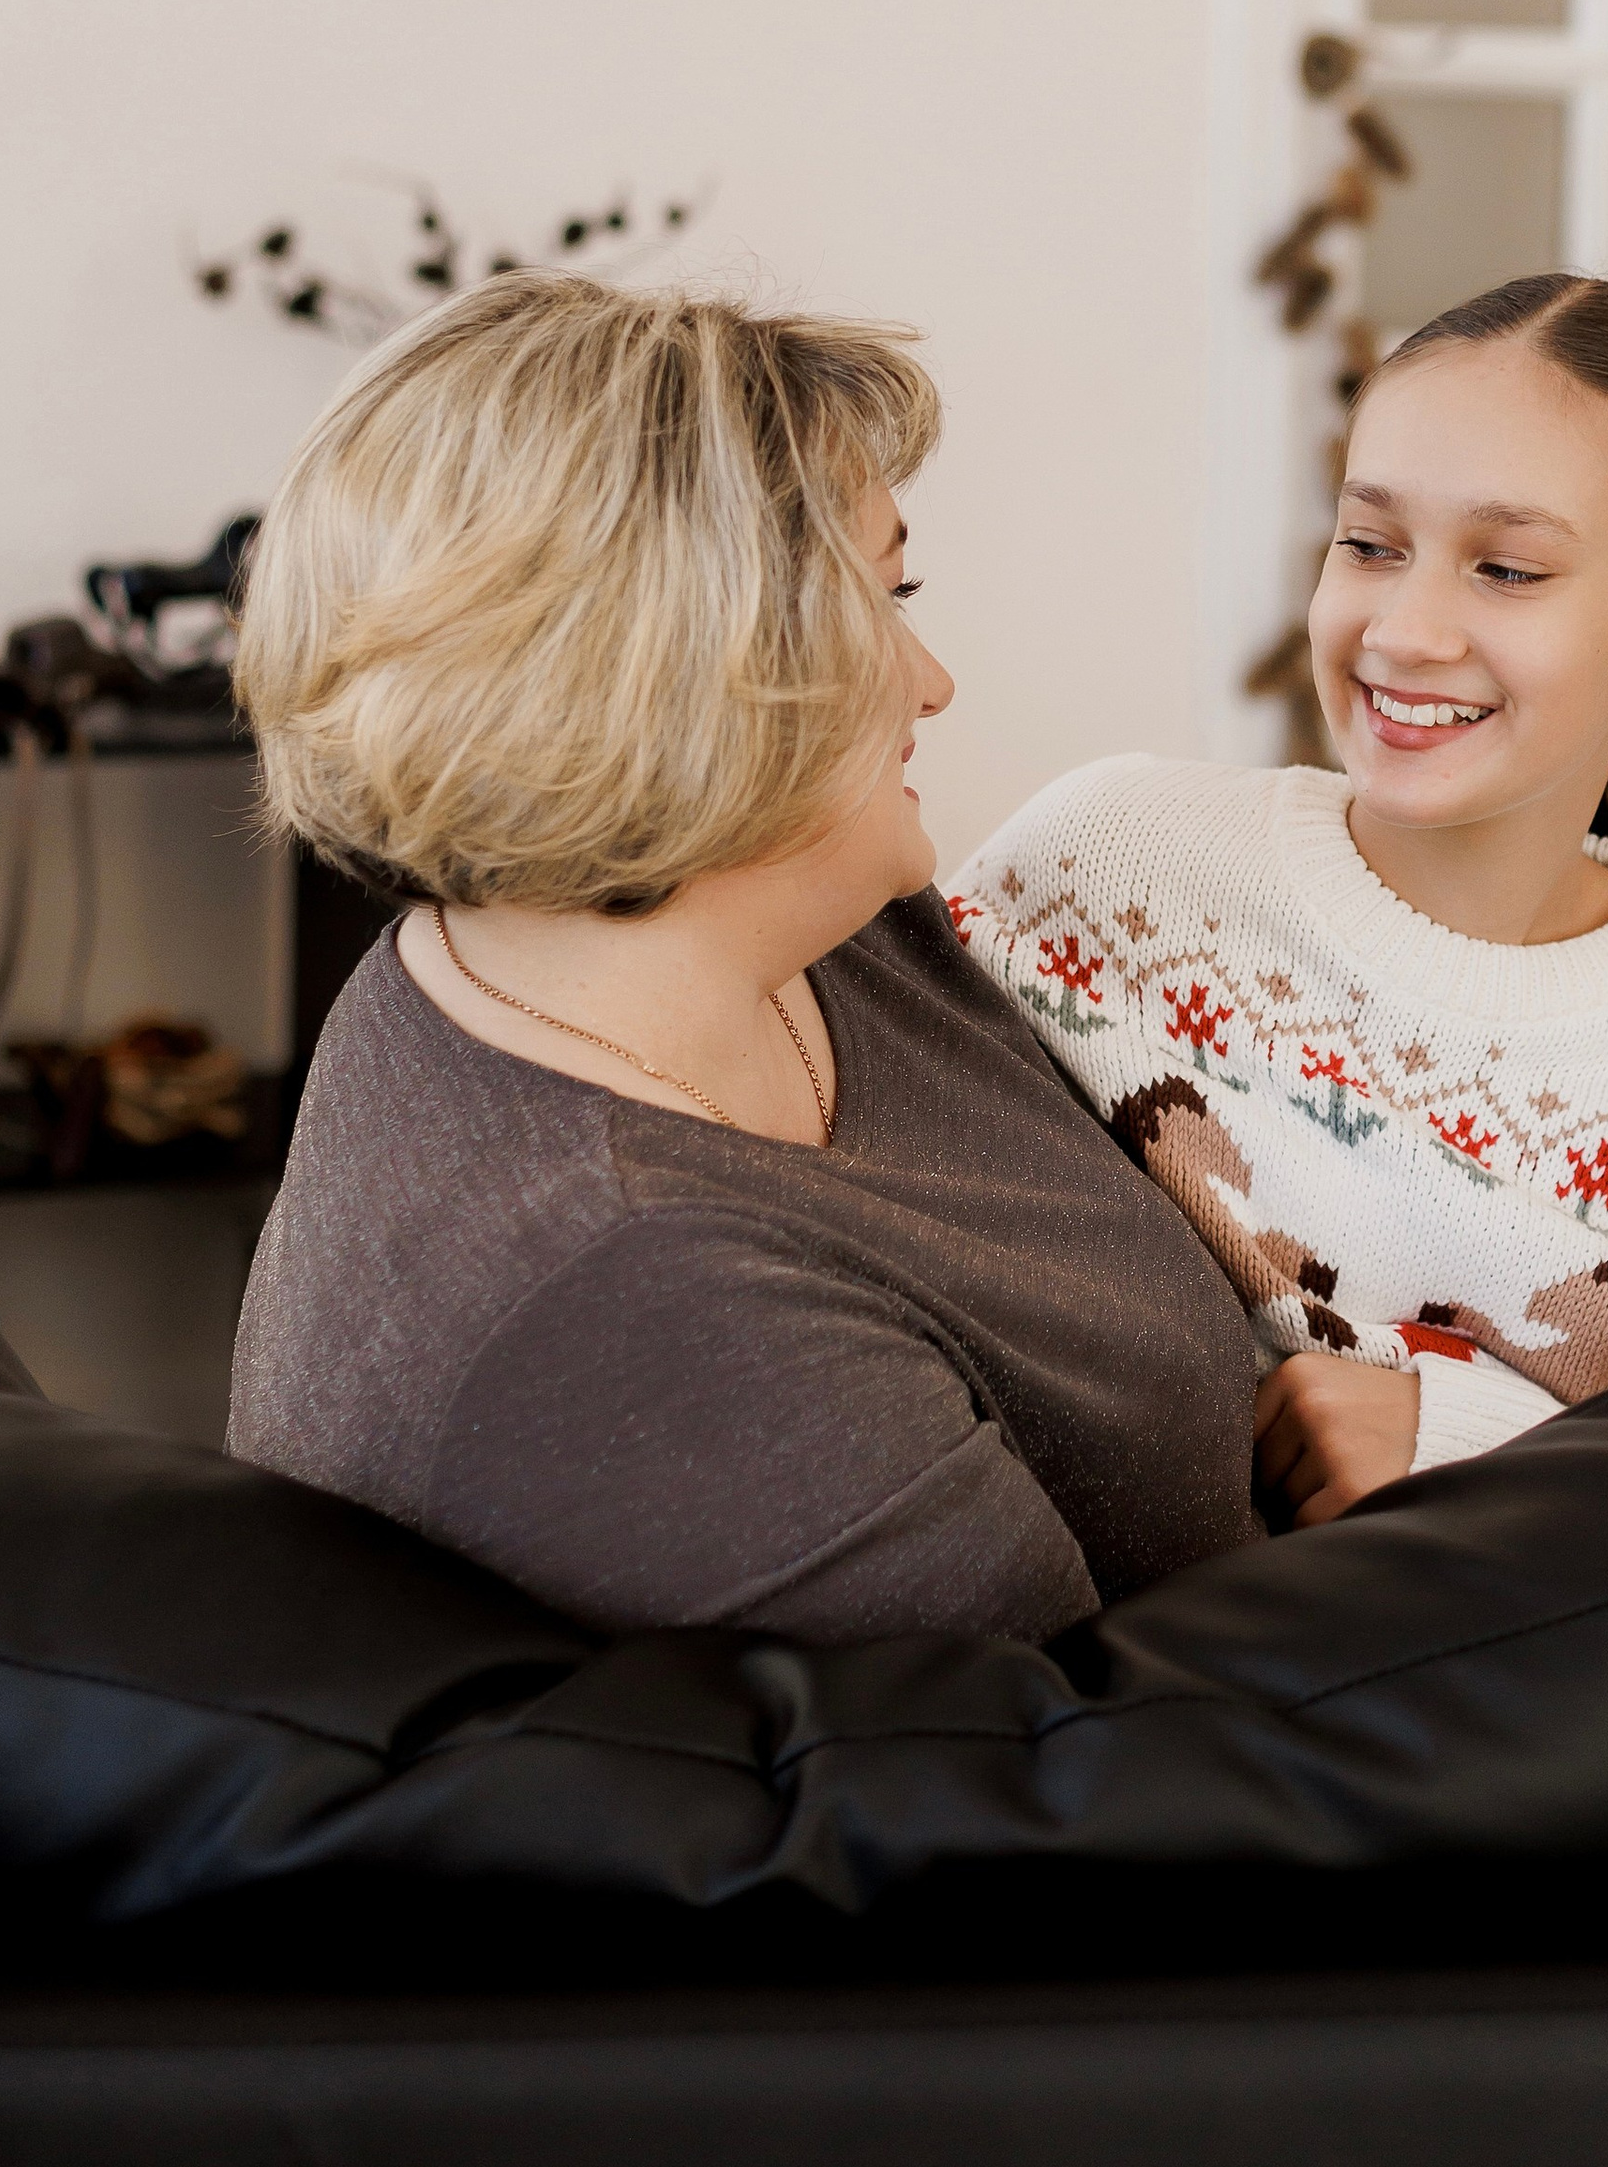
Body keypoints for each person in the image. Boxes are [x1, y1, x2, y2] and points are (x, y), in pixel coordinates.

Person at [227, 276, 1263, 1644]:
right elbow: (1081, 1754)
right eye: (885, 598)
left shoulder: (811, 933)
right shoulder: (640, 1308)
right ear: (690, 666)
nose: (935, 680)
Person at [951, 272, 1608, 1521]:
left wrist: (1469, 1443)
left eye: (1506, 569)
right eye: (1369, 545)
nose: (1405, 629)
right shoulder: (1103, 867)